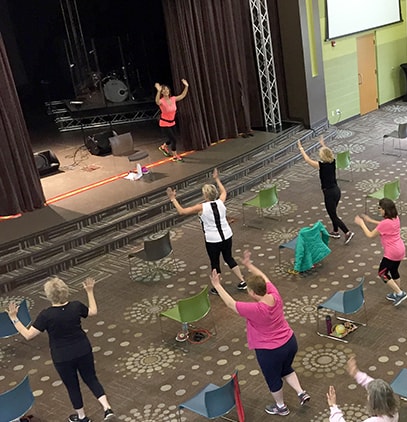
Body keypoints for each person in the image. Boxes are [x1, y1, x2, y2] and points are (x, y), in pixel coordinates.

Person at [210, 251, 311, 416]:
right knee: (286, 368)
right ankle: (301, 392)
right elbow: (264, 278)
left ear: (253, 293)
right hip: (290, 342)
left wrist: (217, 285)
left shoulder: (256, 309)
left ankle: (281, 407)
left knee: (273, 379)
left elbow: (230, 303)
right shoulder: (274, 295)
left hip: (270, 351)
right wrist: (249, 265)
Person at [7, 277, 115, 422]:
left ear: (48, 295)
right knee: (91, 378)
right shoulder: (76, 306)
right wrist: (89, 291)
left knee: (72, 386)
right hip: (83, 348)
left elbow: (28, 335)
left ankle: (82, 417)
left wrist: (14, 318)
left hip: (62, 356)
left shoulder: (46, 315)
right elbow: (93, 311)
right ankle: (107, 408)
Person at [166, 168, 246, 304]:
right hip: (227, 235)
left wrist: (173, 199)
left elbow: (182, 211)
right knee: (228, 257)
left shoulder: (201, 207)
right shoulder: (221, 201)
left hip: (213, 240)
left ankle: (217, 286)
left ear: (205, 195)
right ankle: (242, 280)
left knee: (215, 262)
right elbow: (224, 191)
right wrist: (217, 179)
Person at [298, 135, 355, 244]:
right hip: (337, 191)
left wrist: (301, 148)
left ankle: (347, 232)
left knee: (333, 215)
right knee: (333, 212)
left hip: (329, 193)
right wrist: (323, 144)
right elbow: (329, 152)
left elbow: (307, 159)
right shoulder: (333, 161)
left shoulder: (321, 165)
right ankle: (335, 231)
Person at [354, 198, 407, 306]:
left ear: (384, 210)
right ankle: (396, 293)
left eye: (380, 208)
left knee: (382, 273)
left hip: (391, 252)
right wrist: (371, 221)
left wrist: (362, 224)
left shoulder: (385, 224)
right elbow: (383, 224)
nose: (379, 210)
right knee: (394, 271)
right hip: (400, 250)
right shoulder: (396, 218)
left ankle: (399, 293)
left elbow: (370, 235)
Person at [327, 357, 399, 422]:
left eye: (369, 394)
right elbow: (375, 388)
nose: (367, 396)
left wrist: (333, 407)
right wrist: (356, 374)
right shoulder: (393, 411)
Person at [154, 79, 189, 161]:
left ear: (169, 91)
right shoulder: (161, 101)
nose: (166, 91)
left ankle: (163, 146)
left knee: (171, 138)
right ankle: (175, 156)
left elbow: (182, 95)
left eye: (167, 89)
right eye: (163, 90)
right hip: (164, 123)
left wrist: (186, 86)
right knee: (174, 140)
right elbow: (157, 101)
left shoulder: (173, 99)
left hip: (172, 123)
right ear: (162, 92)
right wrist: (158, 91)